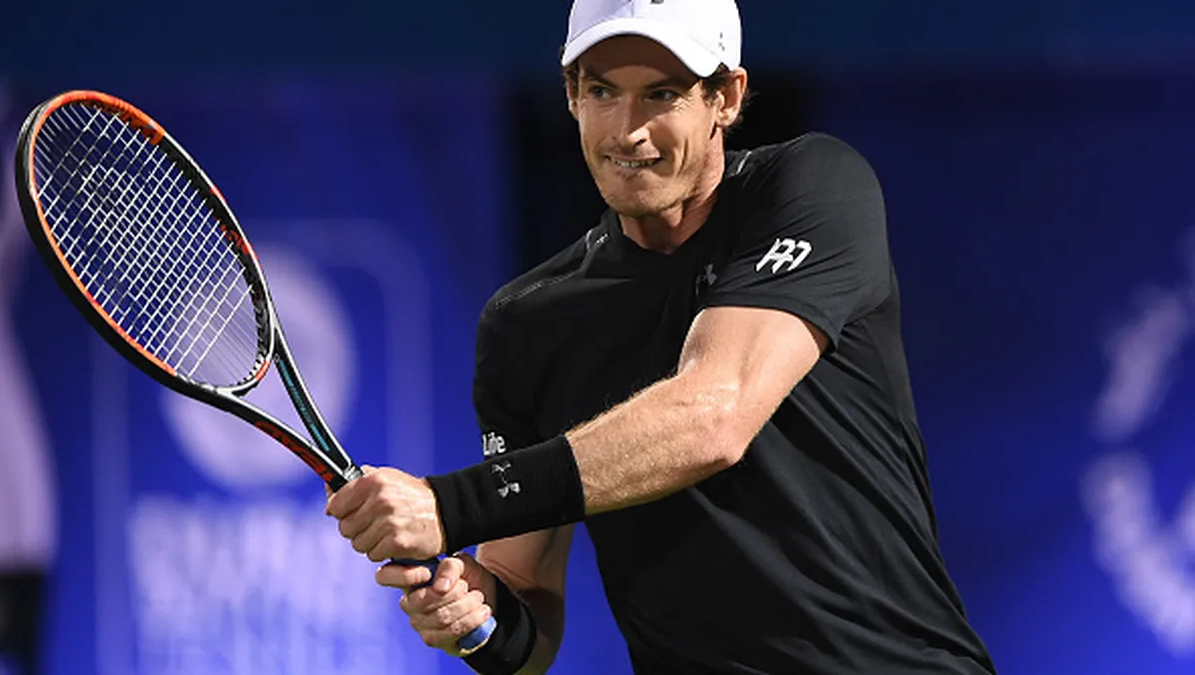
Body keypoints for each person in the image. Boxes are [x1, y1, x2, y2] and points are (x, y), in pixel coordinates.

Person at [326, 0, 998, 672]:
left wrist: (449, 505)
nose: (628, 131)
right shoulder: (524, 322)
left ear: (725, 98)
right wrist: (474, 617)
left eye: (662, 94)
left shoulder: (815, 186)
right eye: (602, 92)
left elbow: (714, 415)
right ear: (571, 96)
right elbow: (527, 621)